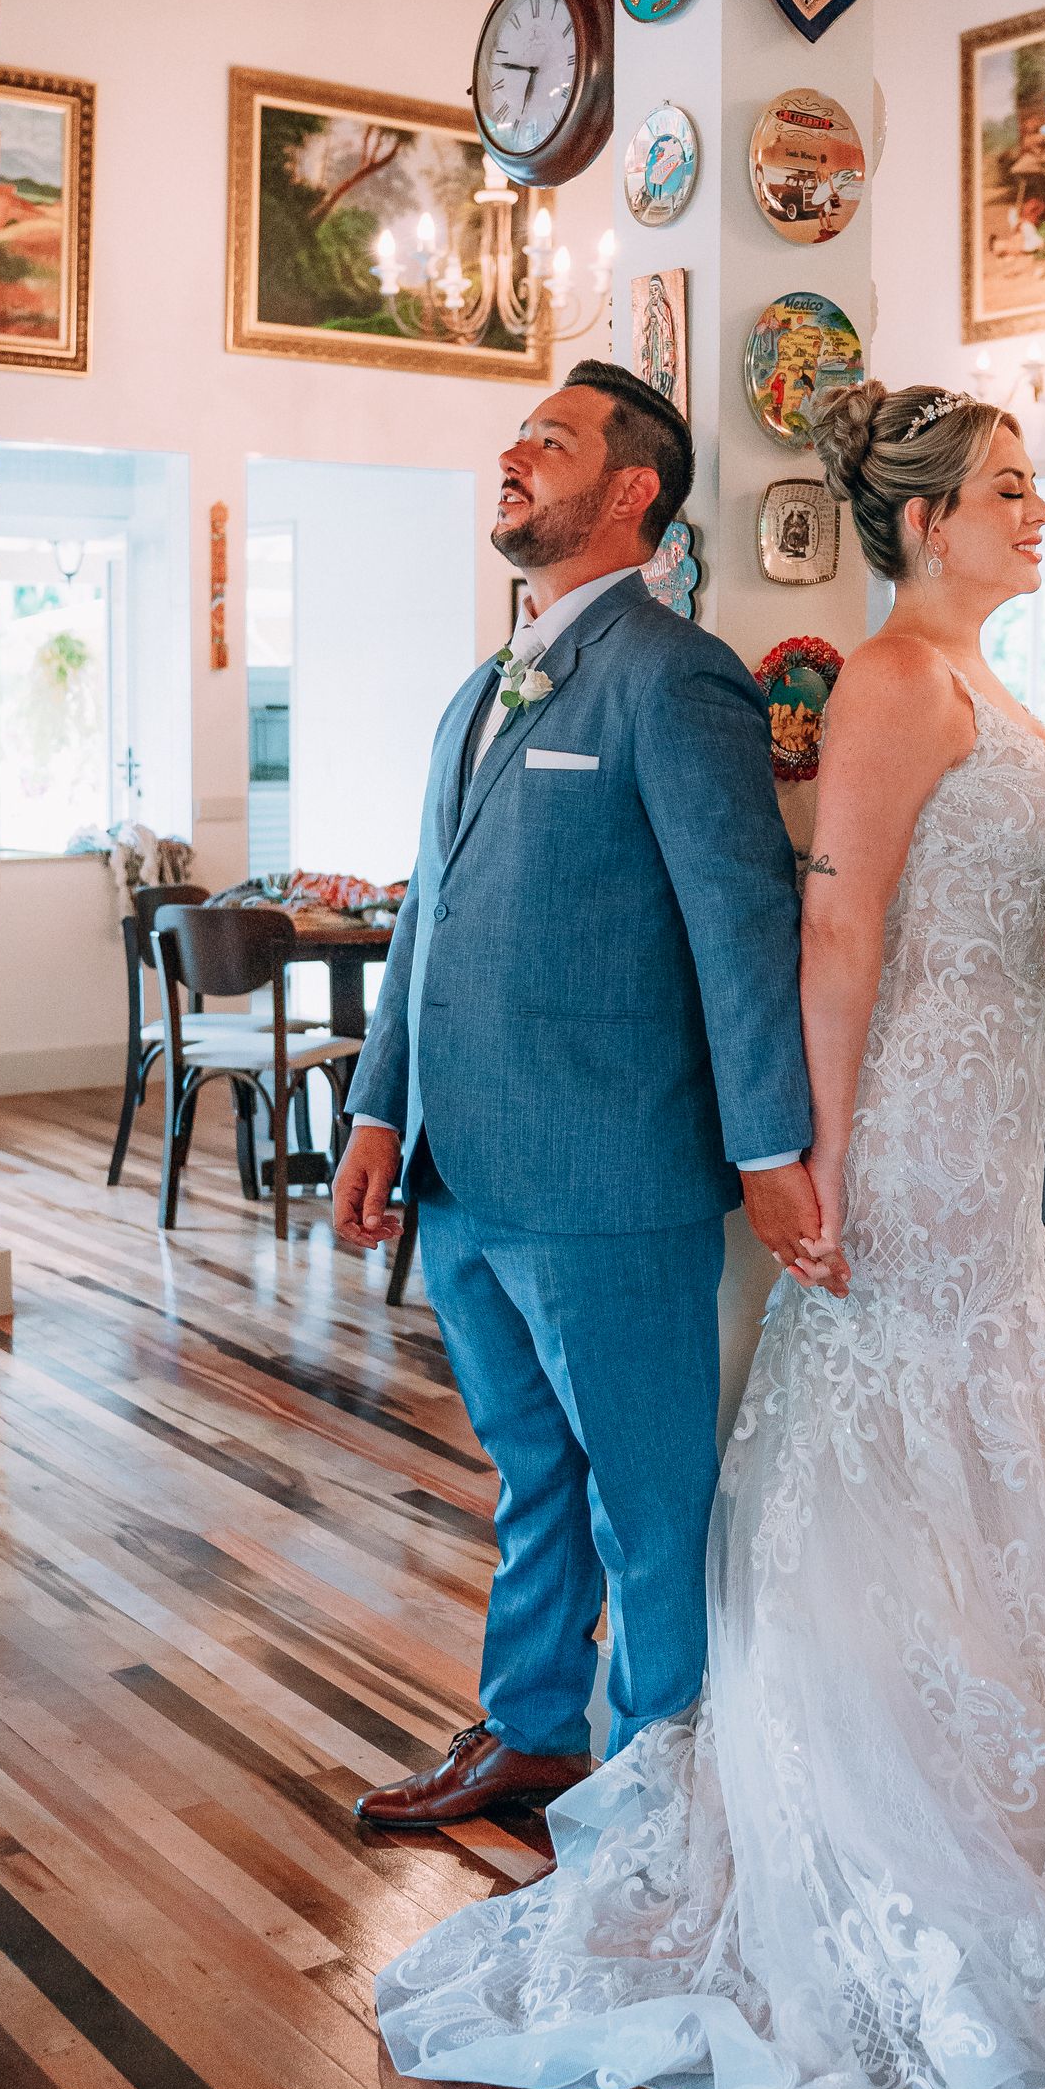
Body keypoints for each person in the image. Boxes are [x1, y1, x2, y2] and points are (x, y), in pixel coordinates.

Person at [374, 380, 1045, 2089]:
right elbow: (825, 924)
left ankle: (977, 1780)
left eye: (1035, 487)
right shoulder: (880, 684)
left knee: (965, 1434)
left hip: (967, 1112)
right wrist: (792, 1144)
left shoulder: (945, 689)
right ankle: (711, 1778)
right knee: (813, 1448)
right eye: (1010, 488)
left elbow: (918, 911)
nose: (1037, 512)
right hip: (875, 1129)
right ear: (926, 518)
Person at [334, 356, 818, 1831]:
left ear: (631, 493)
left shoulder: (680, 680)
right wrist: (373, 1108)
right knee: (529, 1471)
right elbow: (429, 918)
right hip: (461, 1174)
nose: (513, 455)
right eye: (515, 435)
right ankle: (531, 1726)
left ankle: (657, 1792)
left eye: (548, 440)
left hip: (612, 1178)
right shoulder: (485, 686)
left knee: (646, 1497)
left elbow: (742, 930)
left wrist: (772, 1147)